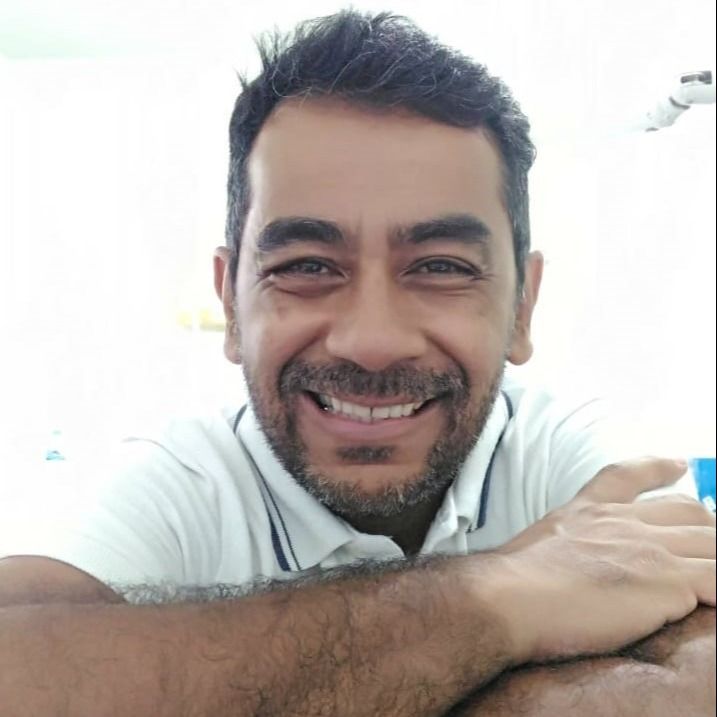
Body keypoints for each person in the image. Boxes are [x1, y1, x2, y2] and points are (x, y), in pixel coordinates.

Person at [0, 10, 714, 716]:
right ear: (230, 303)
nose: (372, 341)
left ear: (521, 307)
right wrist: (493, 591)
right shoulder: (177, 486)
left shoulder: (583, 458)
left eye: (440, 266)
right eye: (306, 265)